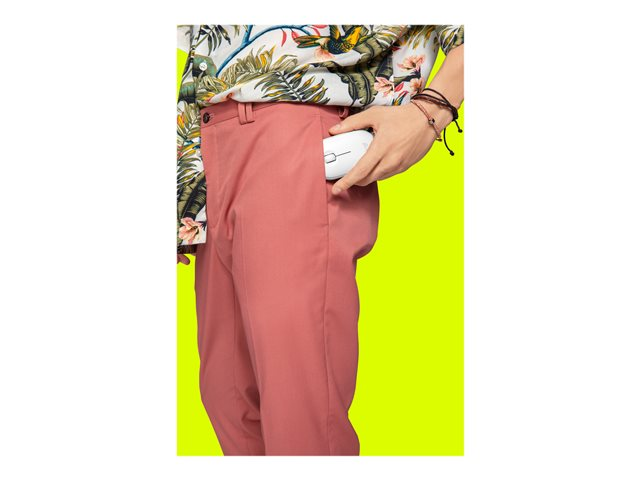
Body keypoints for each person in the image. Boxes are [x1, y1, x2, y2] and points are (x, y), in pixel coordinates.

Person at [176, 24, 464, 456]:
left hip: (297, 125)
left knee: (299, 411)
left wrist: (430, 111)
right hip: (211, 133)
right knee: (228, 399)